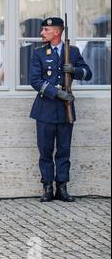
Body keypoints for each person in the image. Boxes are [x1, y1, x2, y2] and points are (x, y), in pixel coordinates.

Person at [29, 17, 92, 203]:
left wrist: (74, 70)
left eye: (46, 30)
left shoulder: (72, 52)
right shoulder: (39, 53)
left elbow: (88, 73)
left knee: (64, 150)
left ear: (57, 32)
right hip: (45, 109)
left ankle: (62, 187)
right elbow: (35, 80)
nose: (42, 33)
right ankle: (47, 187)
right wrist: (56, 93)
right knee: (45, 151)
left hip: (66, 110)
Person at [81, 15, 111, 85]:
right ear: (103, 29)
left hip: (91, 83)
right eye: (107, 27)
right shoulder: (97, 45)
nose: (108, 30)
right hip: (98, 85)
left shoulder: (90, 43)